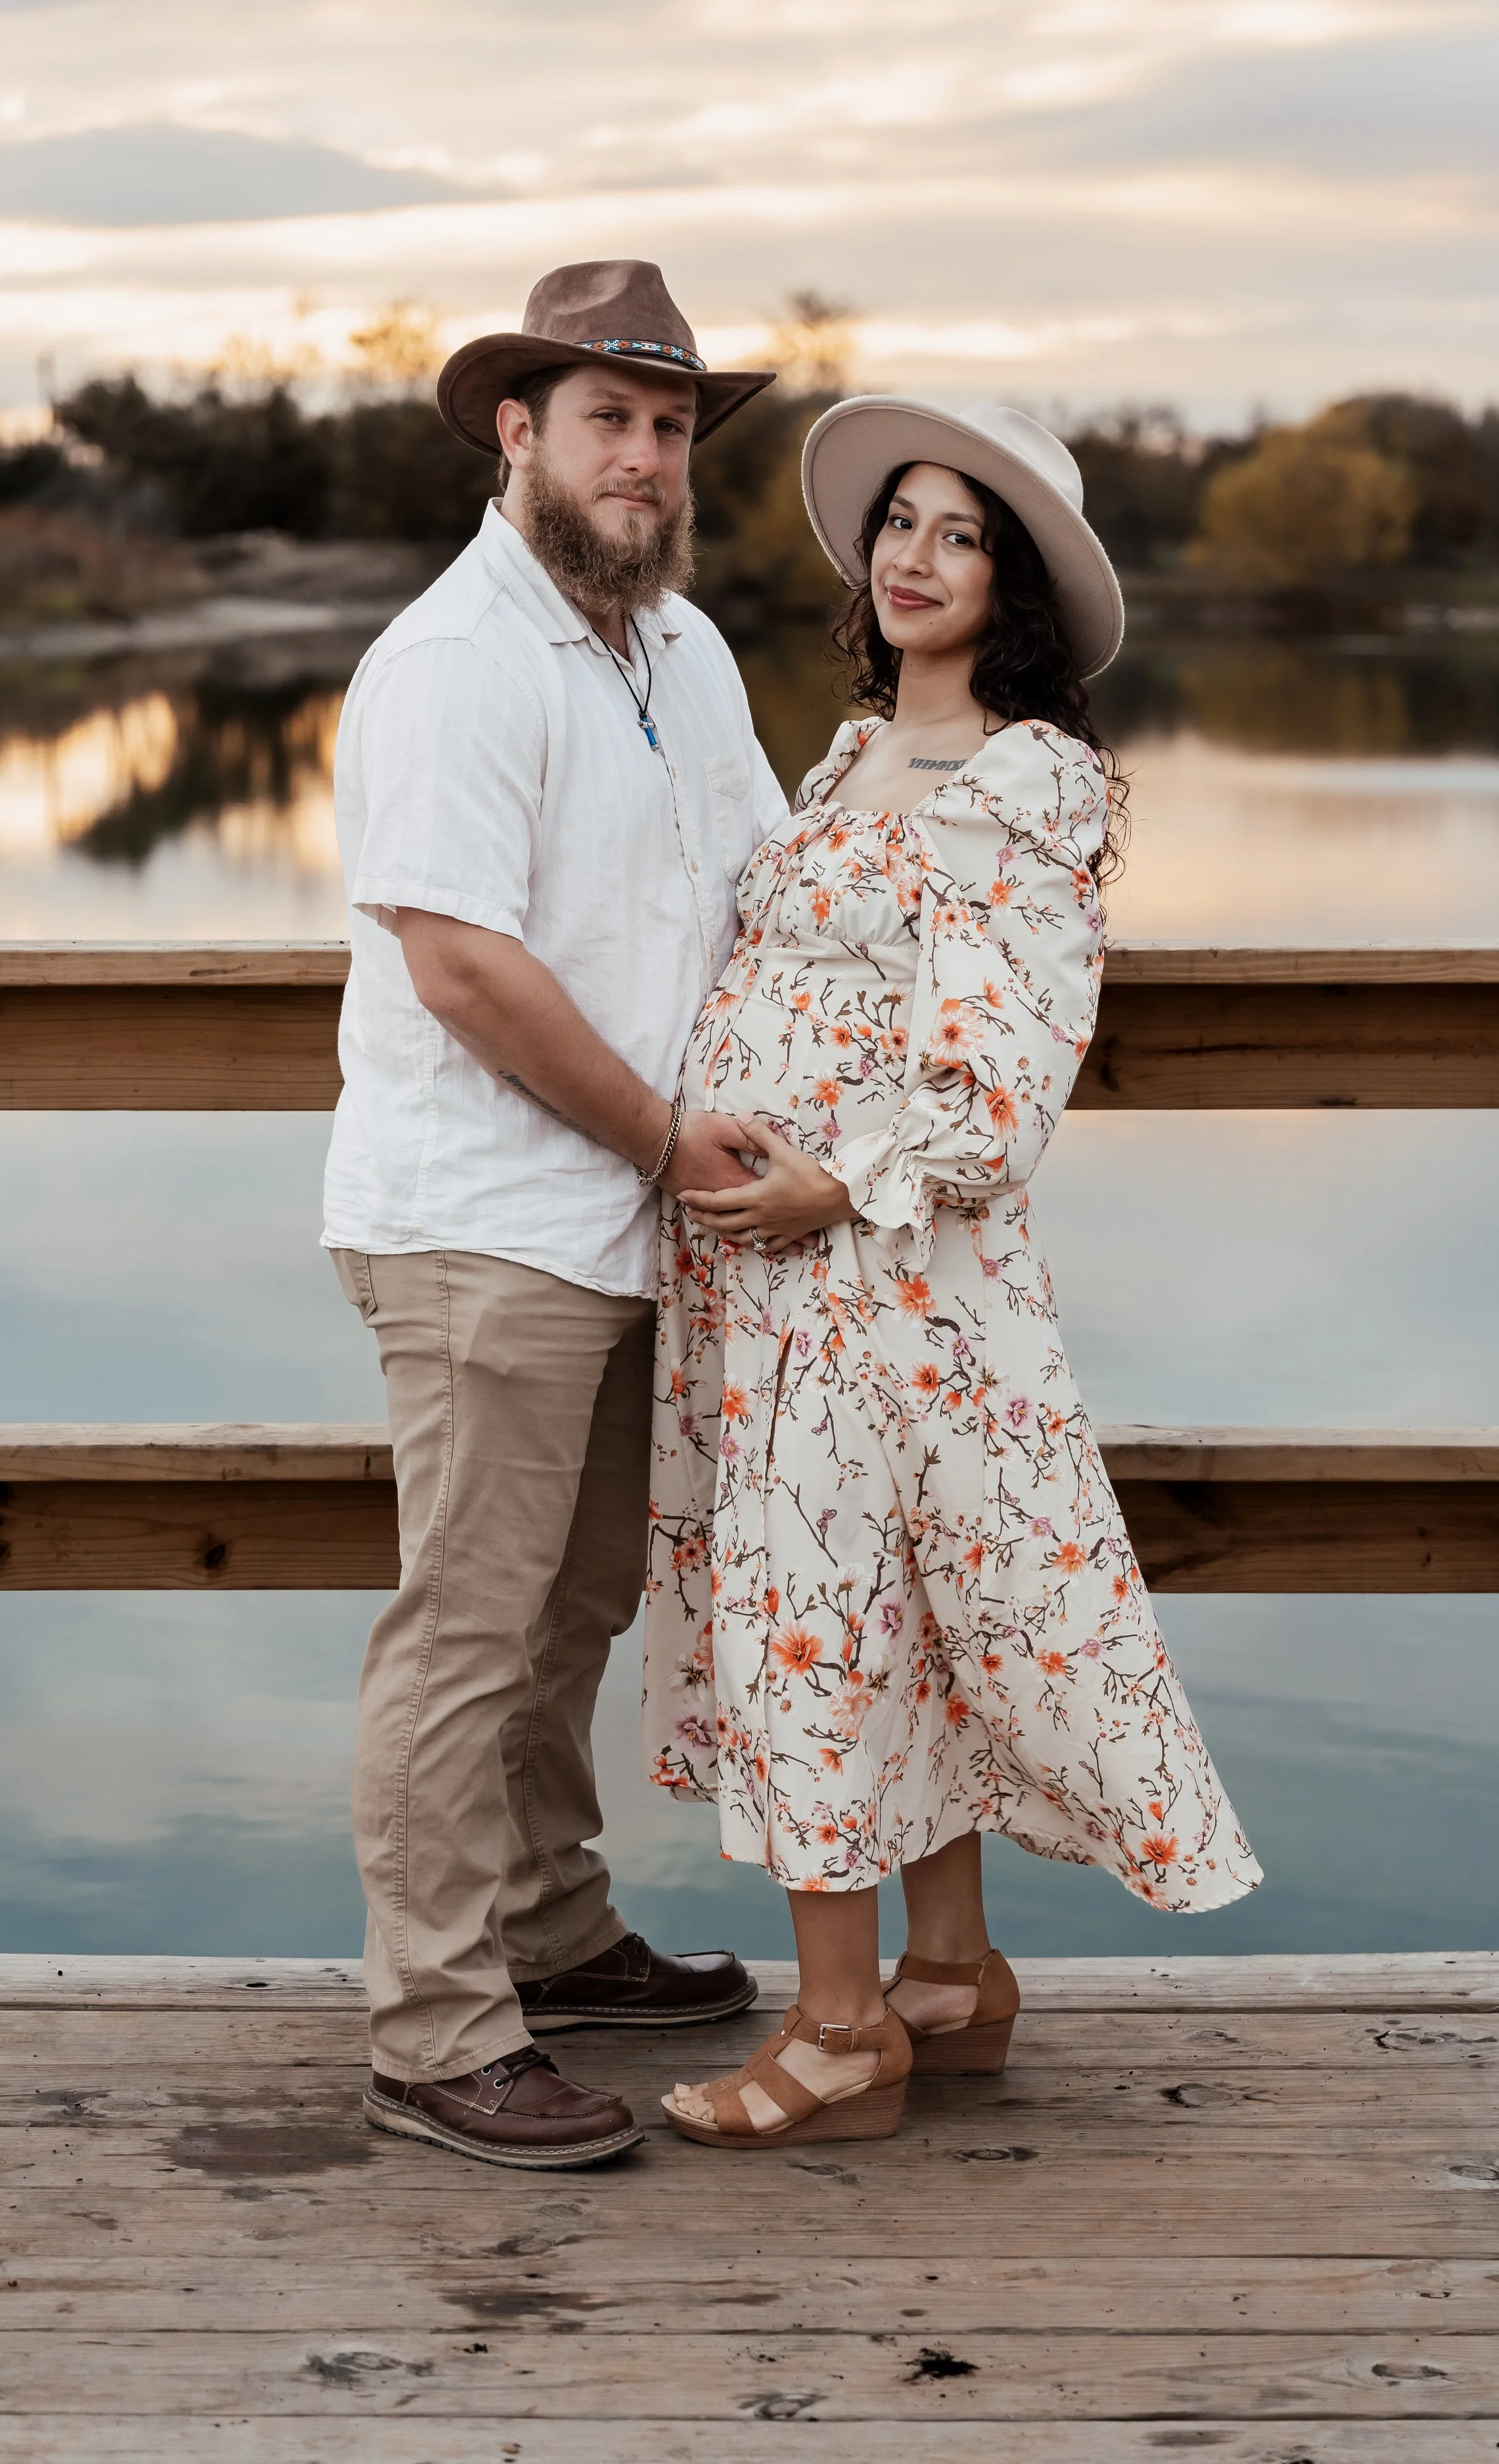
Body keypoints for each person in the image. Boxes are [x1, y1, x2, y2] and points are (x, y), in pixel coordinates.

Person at [643, 397, 1263, 2150]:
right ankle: (946, 1975)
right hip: (775, 1285)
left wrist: (836, 1182)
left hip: (877, 1274)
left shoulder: (1025, 778)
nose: (914, 558)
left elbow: (1009, 1069)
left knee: (821, 1620)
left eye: (960, 536)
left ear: (1015, 586)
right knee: (890, 1611)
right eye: (899, 525)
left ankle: (839, 2034)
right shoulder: (850, 756)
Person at [324, 260, 791, 2170]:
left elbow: (776, 880)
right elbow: (461, 966)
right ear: (518, 431)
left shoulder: (680, 647)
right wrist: (672, 1138)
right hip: (485, 1222)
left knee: (575, 1604)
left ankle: (552, 1931)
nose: (645, 457)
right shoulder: (453, 660)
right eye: (609, 418)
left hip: (626, 1221)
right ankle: (435, 2028)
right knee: (468, 1625)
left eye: (671, 426)